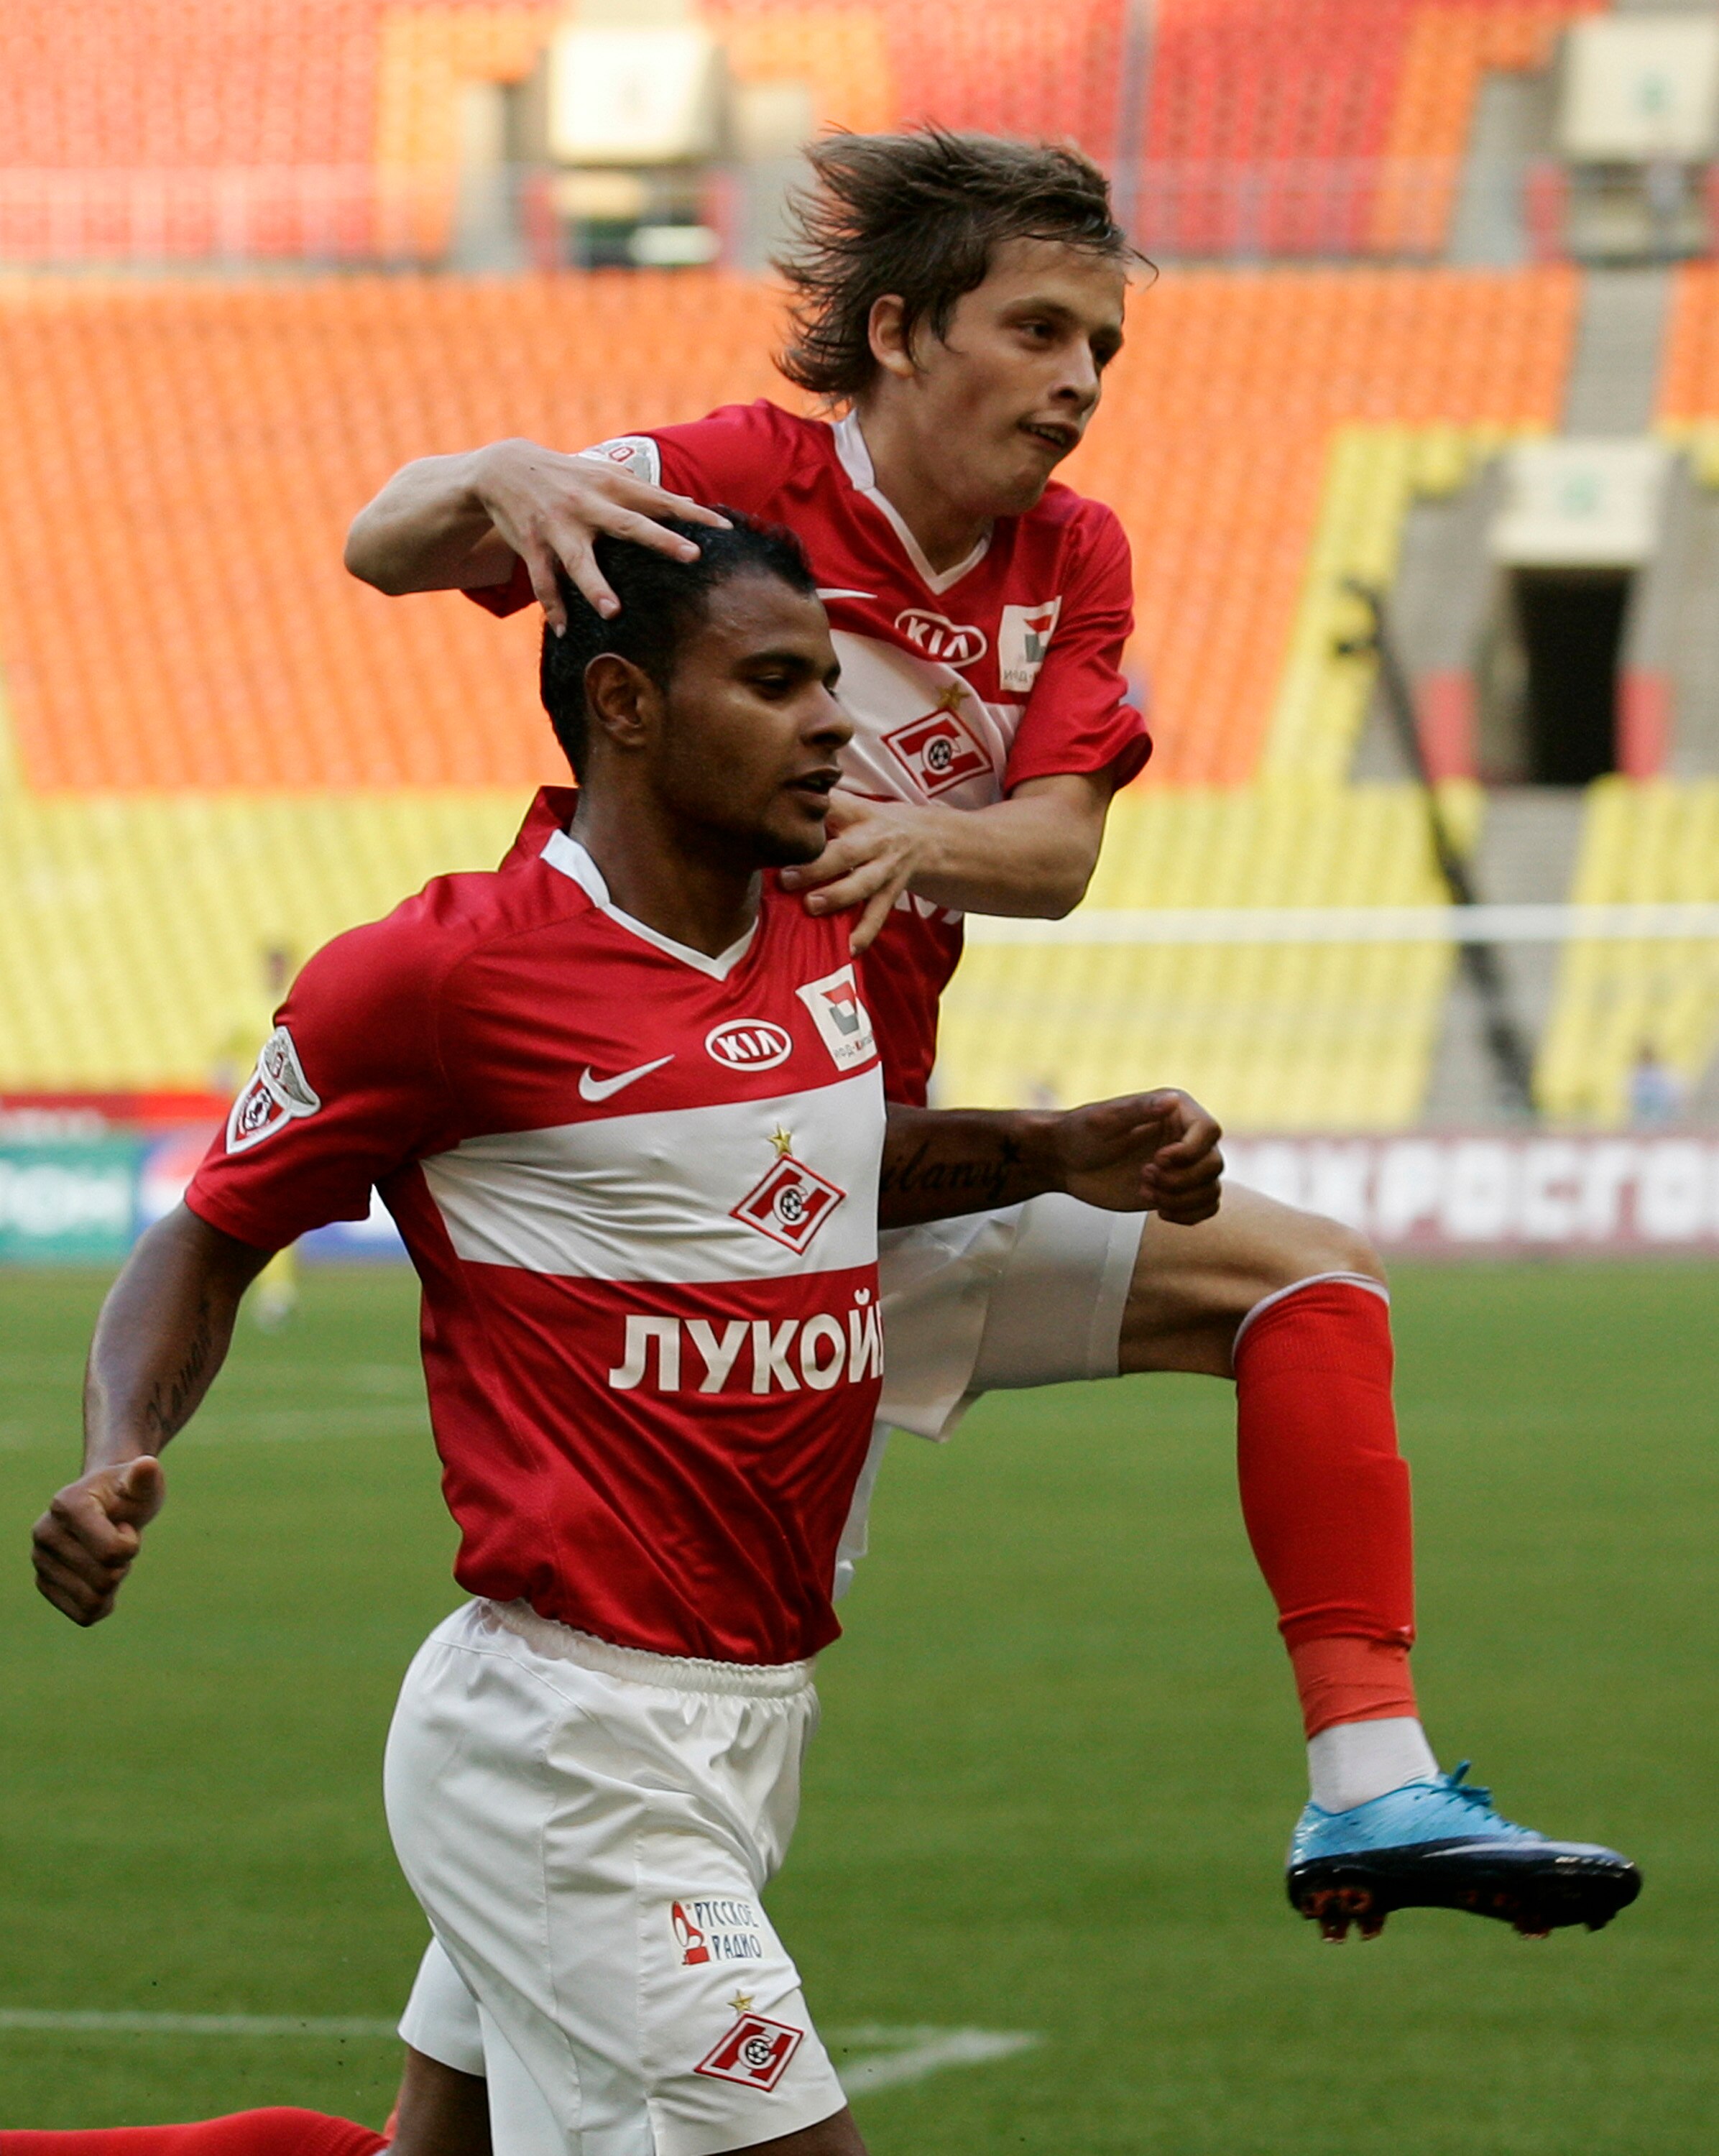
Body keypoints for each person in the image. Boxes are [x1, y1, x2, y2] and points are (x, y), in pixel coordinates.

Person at [344, 119, 1637, 1966]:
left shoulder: (1068, 557)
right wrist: (496, 476)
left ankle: (1369, 1769)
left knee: (1309, 1289)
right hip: (721, 1198)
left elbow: (1050, 854)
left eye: (1098, 347)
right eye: (1036, 331)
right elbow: (380, 547)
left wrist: (914, 843)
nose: (1077, 383)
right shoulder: (730, 483)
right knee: (647, 1816)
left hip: (863, 1186)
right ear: (895, 331)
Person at [29, 518, 1227, 2156]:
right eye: (775, 680)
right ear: (625, 705)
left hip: (748, 1711)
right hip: (565, 1743)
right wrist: (117, 1456)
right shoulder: (441, 978)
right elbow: (210, 1230)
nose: (832, 720)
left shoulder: (817, 919)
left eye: (830, 677)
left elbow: (801, 1160)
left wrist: (1045, 1147)